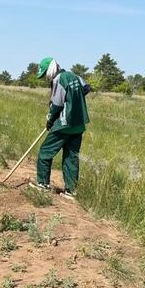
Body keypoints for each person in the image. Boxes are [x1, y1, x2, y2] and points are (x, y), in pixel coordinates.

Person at [29, 57, 90, 200]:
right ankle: (71, 191)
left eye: (45, 74)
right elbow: (86, 88)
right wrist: (74, 100)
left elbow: (56, 104)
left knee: (45, 151)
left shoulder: (58, 79)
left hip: (64, 124)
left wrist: (49, 119)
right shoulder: (75, 76)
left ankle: (42, 184)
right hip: (79, 124)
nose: (45, 78)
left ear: (50, 69)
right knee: (71, 156)